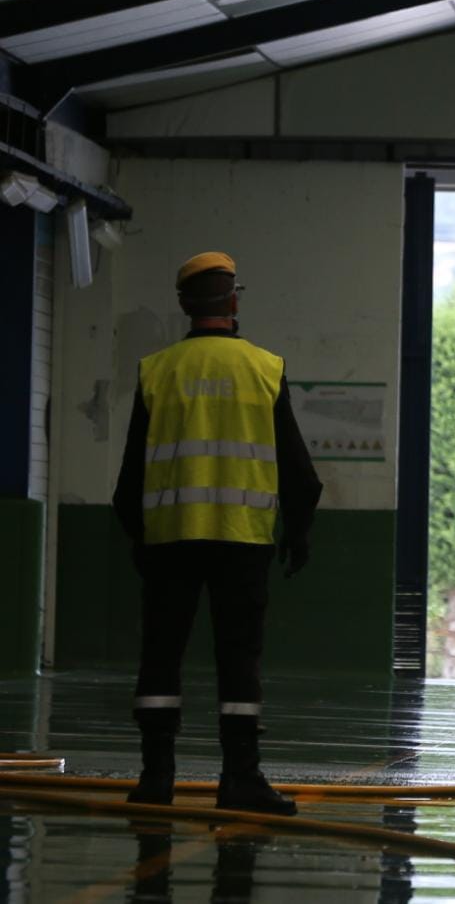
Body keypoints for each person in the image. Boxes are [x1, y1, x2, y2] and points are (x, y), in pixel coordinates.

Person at [112, 251, 322, 815]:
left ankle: (156, 778)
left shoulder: (156, 370)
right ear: (233, 301)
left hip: (170, 538)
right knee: (239, 661)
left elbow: (129, 477)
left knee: (160, 656)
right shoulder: (265, 368)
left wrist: (140, 536)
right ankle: (241, 779)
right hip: (242, 540)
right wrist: (297, 532)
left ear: (184, 304)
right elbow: (300, 471)